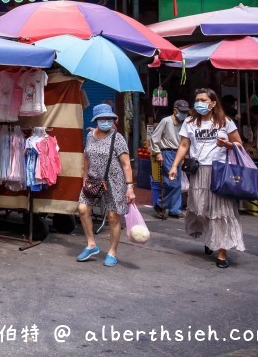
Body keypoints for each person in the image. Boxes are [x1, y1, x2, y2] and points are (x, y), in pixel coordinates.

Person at [169, 87, 245, 269]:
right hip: (198, 171)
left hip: (219, 171)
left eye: (203, 100)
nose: (199, 103)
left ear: (213, 103)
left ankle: (222, 252)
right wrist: (174, 166)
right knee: (200, 208)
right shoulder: (189, 122)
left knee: (221, 210)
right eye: (197, 100)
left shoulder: (225, 122)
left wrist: (227, 144)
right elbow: (184, 145)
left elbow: (239, 144)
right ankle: (210, 237)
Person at [76, 103, 135, 267]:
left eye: (109, 119)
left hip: (114, 182)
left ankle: (112, 252)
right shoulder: (89, 136)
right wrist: (84, 178)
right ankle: (91, 245)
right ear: (96, 120)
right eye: (103, 119)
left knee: (113, 217)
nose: (106, 122)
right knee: (82, 209)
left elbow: (126, 165)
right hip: (93, 180)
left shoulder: (118, 138)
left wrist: (130, 187)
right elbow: (86, 158)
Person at [148, 100, 189, 218]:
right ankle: (160, 204)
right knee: (172, 182)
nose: (184, 114)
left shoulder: (185, 123)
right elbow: (155, 138)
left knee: (178, 183)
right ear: (175, 111)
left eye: (186, 112)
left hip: (179, 152)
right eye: (182, 112)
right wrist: (158, 153)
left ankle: (175, 209)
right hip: (168, 152)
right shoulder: (166, 121)